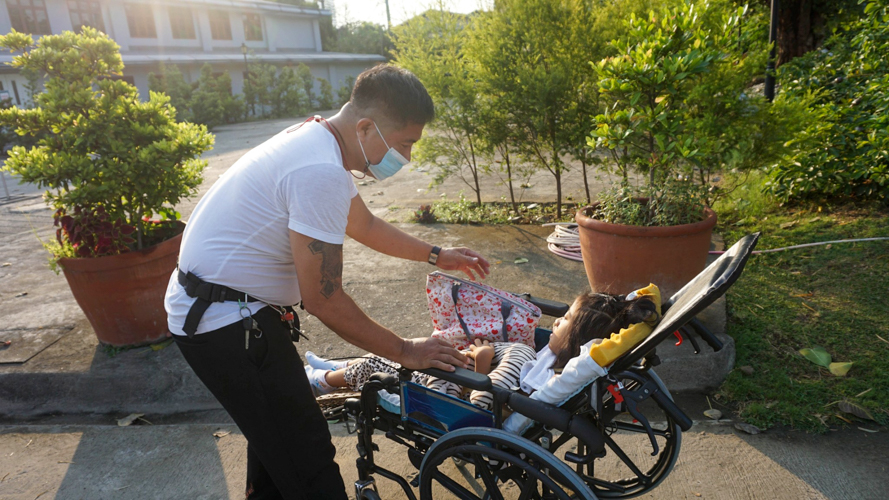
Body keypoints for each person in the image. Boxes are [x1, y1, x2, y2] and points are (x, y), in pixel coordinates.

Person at [163, 64, 490, 500]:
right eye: (406, 143)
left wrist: (436, 255)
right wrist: (405, 351)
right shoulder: (319, 171)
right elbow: (323, 298)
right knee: (308, 457)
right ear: (367, 127)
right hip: (224, 325)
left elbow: (365, 224)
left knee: (278, 446)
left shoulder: (318, 138)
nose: (407, 157)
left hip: (230, 308)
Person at [304, 288, 660, 410]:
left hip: (448, 396)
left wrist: (482, 364)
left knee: (379, 368)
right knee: (402, 354)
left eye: (564, 320)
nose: (556, 322)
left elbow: (483, 402)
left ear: (576, 339)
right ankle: (330, 370)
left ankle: (322, 380)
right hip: (464, 376)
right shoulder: (549, 361)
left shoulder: (530, 368)